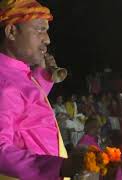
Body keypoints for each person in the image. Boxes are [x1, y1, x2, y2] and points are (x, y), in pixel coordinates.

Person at [0, 0, 83, 179]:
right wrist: (59, 167)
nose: (47, 39)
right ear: (11, 31)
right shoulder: (5, 81)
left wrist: (45, 76)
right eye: (39, 30)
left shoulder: (17, 73)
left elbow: (27, 108)